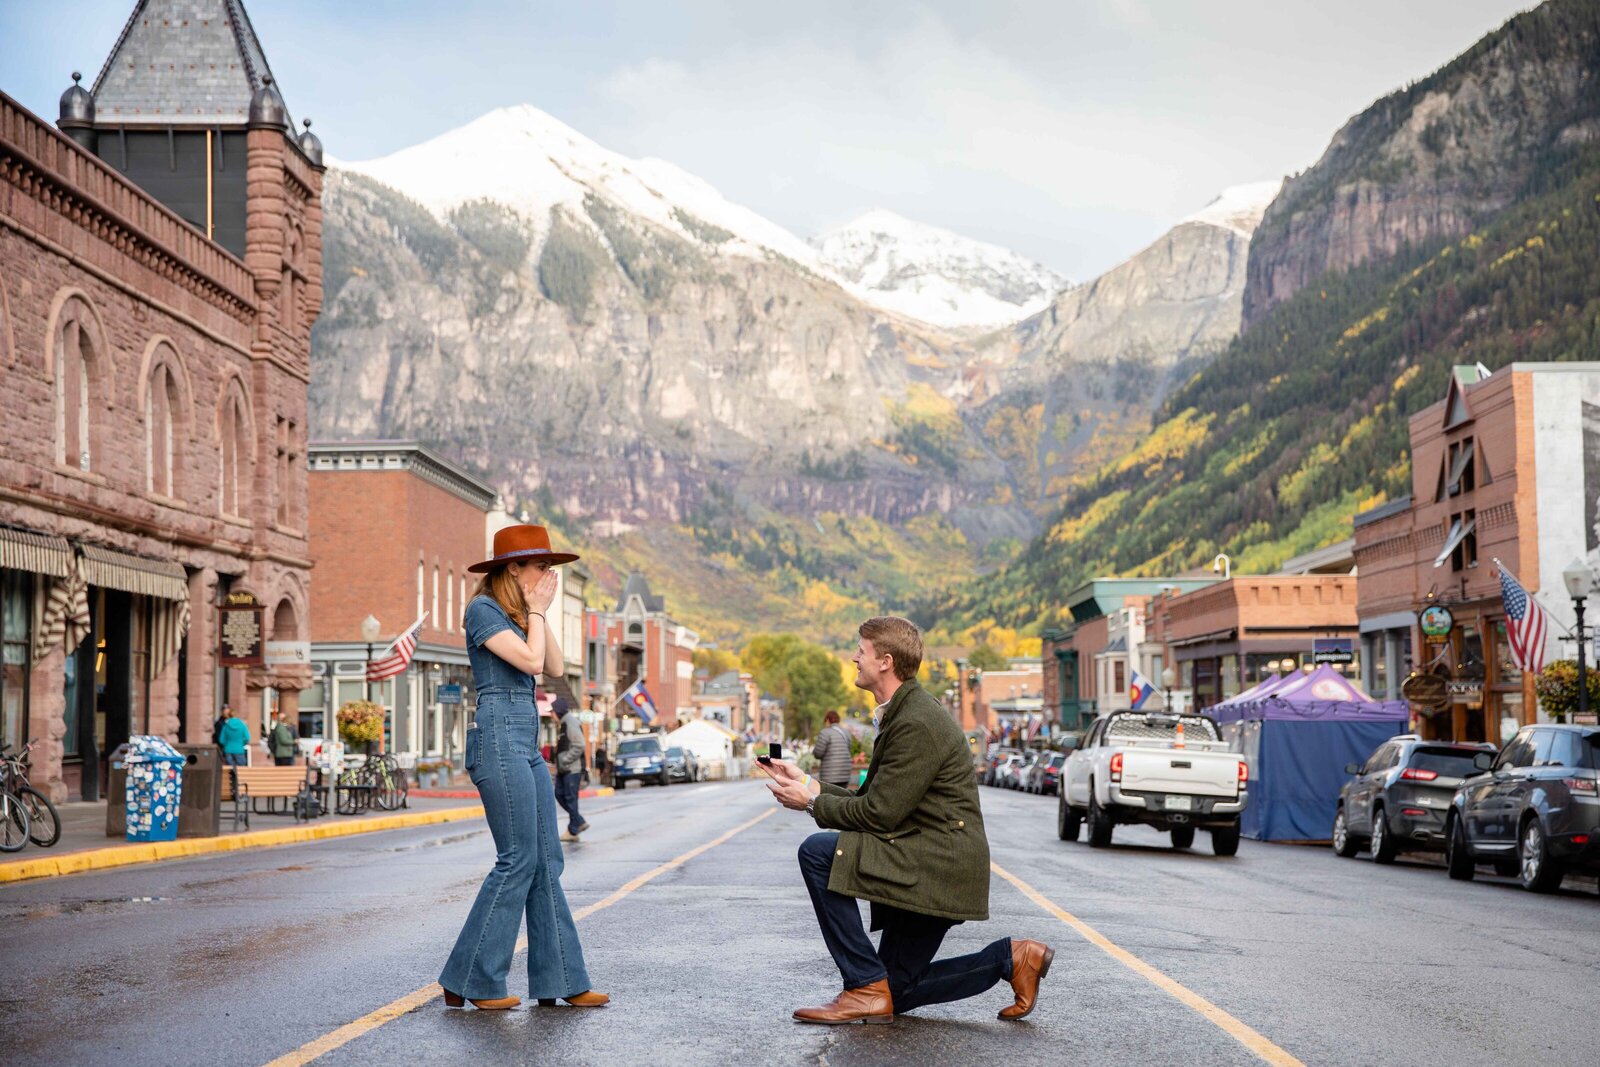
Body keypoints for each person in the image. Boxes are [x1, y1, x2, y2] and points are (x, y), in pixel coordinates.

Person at [763, 615, 1053, 1024]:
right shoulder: (905, 711)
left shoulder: (916, 721)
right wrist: (809, 783)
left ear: (884, 661)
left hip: (936, 865)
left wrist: (810, 805)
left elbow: (880, 815)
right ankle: (1011, 959)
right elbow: (874, 800)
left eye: (860, 652)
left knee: (818, 853)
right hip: (928, 857)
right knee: (895, 991)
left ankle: (863, 985)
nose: (853, 658)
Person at [439, 524, 608, 1012]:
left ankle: (562, 979)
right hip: (497, 736)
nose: (549, 575)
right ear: (513, 568)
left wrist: (538, 612)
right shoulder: (482, 610)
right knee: (517, 858)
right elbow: (532, 662)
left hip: (525, 739)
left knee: (547, 862)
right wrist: (534, 610)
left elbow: (553, 662)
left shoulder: (517, 613)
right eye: (541, 566)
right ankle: (471, 978)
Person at [553, 698, 590, 841]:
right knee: (560, 794)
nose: (551, 715)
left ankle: (574, 829)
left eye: (553, 712)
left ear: (558, 711)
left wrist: (564, 760)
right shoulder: (563, 724)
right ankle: (577, 823)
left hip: (572, 769)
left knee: (569, 798)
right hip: (564, 769)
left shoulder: (570, 722)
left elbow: (579, 744)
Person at [811, 710, 854, 790]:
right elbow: (849, 748)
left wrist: (814, 753)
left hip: (829, 776)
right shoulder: (846, 733)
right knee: (842, 797)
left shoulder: (825, 733)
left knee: (829, 798)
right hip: (845, 774)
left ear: (827, 720)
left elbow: (818, 753)